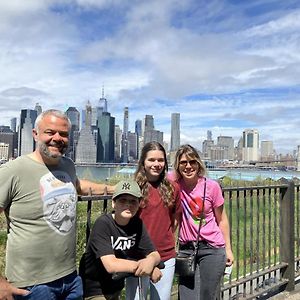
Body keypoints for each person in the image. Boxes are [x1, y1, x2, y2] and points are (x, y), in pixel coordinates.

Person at [0, 109, 114, 300]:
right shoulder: (13, 170)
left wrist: (115, 189)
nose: (57, 138)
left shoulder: (67, 165)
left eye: (63, 134)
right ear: (35, 134)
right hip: (31, 285)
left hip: (70, 279)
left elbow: (77, 186)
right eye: (50, 132)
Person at [80, 179, 162, 300]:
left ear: (139, 204)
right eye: (123, 200)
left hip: (115, 286)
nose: (128, 205)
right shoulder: (103, 224)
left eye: (133, 201)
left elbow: (154, 254)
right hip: (95, 289)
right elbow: (111, 265)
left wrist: (151, 262)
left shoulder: (137, 224)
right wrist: (147, 269)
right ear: (114, 203)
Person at [172, 144, 234, 300]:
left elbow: (222, 220)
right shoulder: (175, 186)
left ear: (198, 163)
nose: (188, 166)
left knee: (208, 296)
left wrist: (228, 249)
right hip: (186, 249)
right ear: (178, 166)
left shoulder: (211, 186)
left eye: (192, 162)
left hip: (212, 248)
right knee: (187, 297)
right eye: (183, 163)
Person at [126, 141, 182, 300]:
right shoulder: (133, 187)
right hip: (137, 257)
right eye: (151, 160)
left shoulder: (173, 188)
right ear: (143, 162)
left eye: (160, 160)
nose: (156, 164)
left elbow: (175, 220)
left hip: (165, 256)